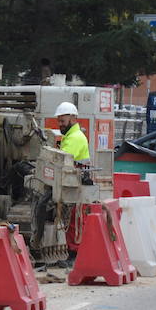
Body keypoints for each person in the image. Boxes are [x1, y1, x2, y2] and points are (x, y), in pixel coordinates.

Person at [55, 101, 91, 260]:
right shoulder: (70, 136)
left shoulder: (75, 138)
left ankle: (74, 254)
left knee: (74, 222)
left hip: (76, 185)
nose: (60, 125)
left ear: (73, 119)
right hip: (72, 183)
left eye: (63, 121)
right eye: (59, 121)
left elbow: (63, 160)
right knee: (72, 221)